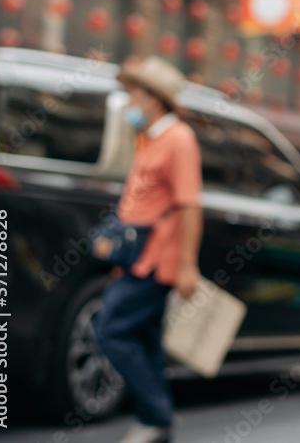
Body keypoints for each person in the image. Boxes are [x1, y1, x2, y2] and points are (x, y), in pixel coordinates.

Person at [93, 56, 203, 443]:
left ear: (155, 99)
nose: (129, 102)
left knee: (110, 329)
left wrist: (187, 265)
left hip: (159, 259)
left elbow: (189, 204)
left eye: (135, 94)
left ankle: (156, 416)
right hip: (137, 256)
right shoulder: (150, 137)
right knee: (145, 338)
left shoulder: (179, 139)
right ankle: (159, 422)